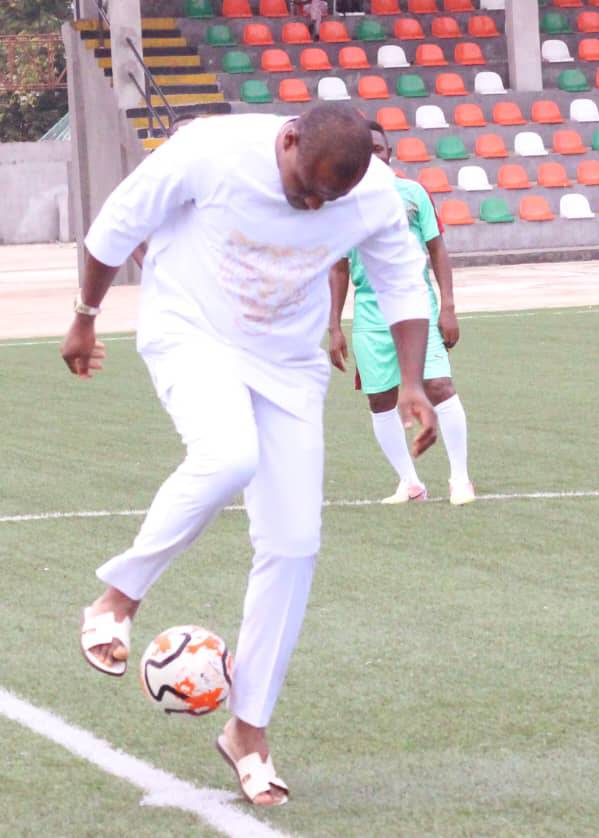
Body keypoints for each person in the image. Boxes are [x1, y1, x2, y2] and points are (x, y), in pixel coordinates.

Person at [63, 104, 437, 805]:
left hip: (288, 361)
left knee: (295, 543)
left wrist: (412, 380)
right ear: (288, 138)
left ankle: (248, 732)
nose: (312, 205)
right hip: (191, 330)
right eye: (305, 188)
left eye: (329, 198)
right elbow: (114, 227)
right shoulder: (210, 150)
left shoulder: (376, 194)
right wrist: (84, 318)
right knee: (229, 454)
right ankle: (116, 599)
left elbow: (401, 283)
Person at [328, 120, 474, 506]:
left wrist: (447, 307)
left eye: (379, 148)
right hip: (370, 315)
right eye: (366, 149)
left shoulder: (412, 193)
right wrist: (334, 327)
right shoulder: (342, 202)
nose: (374, 155)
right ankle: (410, 483)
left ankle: (460, 478)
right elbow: (339, 266)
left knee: (439, 385)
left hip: (416, 307)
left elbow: (437, 249)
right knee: (381, 400)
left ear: (389, 153)